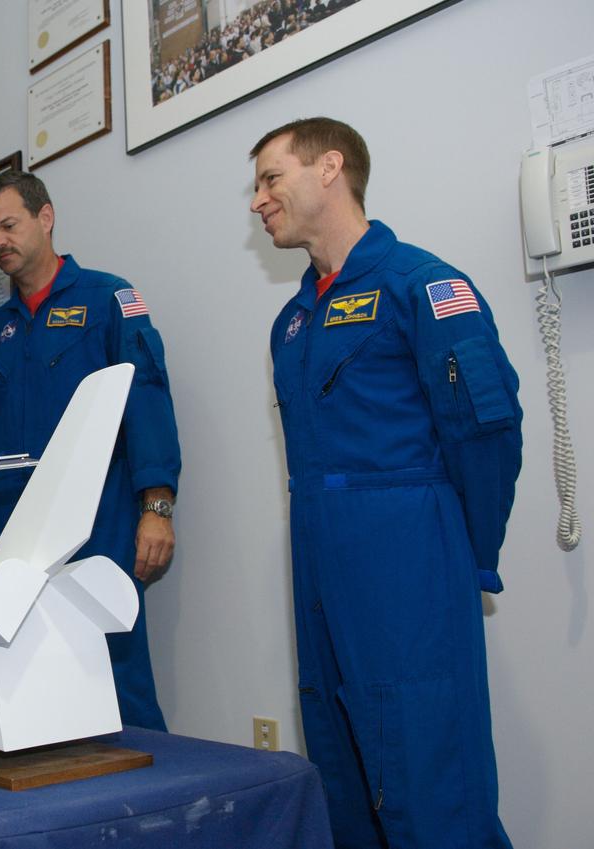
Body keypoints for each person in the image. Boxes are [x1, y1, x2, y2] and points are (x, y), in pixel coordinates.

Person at [249, 117, 520, 849]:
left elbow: (487, 435)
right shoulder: (293, 322)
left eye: (271, 178)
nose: (258, 200)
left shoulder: (422, 286)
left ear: (329, 167)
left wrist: (461, 553)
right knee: (343, 773)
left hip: (409, 560)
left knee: (429, 779)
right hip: (321, 561)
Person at [0, 170, 181, 732]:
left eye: (8, 226)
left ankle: (151, 780)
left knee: (113, 664)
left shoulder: (108, 299)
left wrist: (157, 507)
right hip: (14, 522)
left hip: (97, 517)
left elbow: (146, 399)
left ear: (46, 217)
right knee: (25, 669)